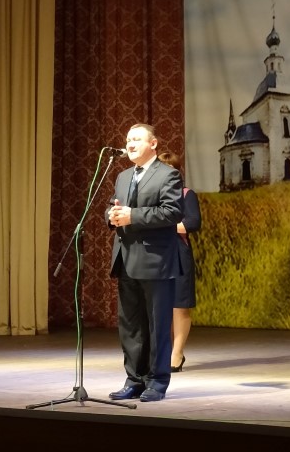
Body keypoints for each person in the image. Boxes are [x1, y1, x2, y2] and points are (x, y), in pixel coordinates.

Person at [106, 123, 183, 402]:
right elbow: (113, 205)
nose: (130, 143)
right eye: (128, 139)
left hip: (155, 261)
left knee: (157, 325)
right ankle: (134, 380)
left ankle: (157, 381)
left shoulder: (168, 174)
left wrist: (133, 216)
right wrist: (111, 216)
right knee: (130, 325)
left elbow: (172, 212)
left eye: (137, 139)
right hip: (126, 258)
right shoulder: (123, 176)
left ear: (153, 143)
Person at [158, 152, 202, 373]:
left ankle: (177, 353)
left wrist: (159, 225)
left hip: (178, 252)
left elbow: (192, 223)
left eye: (169, 169)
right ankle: (161, 353)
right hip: (155, 254)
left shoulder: (186, 194)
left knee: (179, 305)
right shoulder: (151, 196)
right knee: (158, 306)